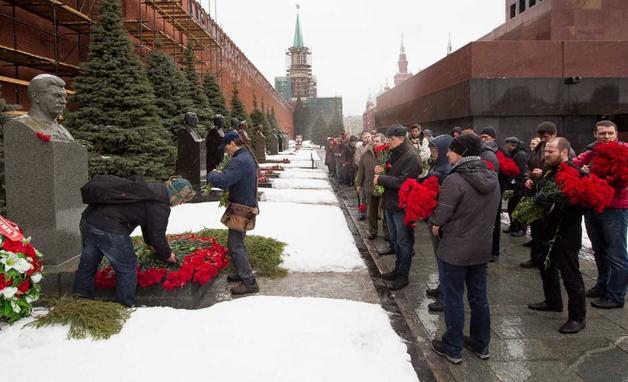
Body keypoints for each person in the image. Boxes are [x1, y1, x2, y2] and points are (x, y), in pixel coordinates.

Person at [429, 133, 500, 364]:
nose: (447, 154)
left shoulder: (454, 179)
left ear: (460, 153)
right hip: (481, 248)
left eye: (450, 150)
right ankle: (481, 343)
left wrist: (435, 221)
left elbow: (441, 214)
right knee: (479, 297)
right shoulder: (492, 176)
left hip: (455, 249)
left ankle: (452, 346)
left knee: (453, 298)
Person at [73, 177, 196, 307]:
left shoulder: (152, 190)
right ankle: (124, 305)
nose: (181, 203)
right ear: (175, 195)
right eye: (182, 200)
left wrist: (151, 244)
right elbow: (157, 235)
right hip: (109, 227)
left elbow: (148, 226)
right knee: (127, 266)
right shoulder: (160, 205)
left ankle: (82, 300)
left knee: (89, 262)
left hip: (89, 220)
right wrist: (166, 255)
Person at [527, 137, 587, 334]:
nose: (546, 155)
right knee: (546, 265)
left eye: (550, 152)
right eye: (545, 151)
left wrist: (552, 205)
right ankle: (553, 300)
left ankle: (577, 317)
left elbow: (580, 204)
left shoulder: (575, 173)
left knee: (570, 275)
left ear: (564, 153)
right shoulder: (549, 171)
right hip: (546, 229)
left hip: (566, 233)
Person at [573, 120, 627, 309]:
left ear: (616, 134)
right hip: (593, 207)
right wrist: (582, 171)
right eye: (602, 133)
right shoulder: (592, 151)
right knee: (600, 251)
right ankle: (603, 285)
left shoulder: (624, 151)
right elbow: (573, 165)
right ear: (595, 134)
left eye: (610, 133)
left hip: (615, 209)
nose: (606, 137)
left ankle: (616, 295)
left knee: (616, 254)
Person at [207, 130, 260, 295]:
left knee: (234, 244)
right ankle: (242, 272)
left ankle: (249, 282)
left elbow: (224, 181)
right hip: (245, 205)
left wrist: (213, 174)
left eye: (226, 147)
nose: (225, 150)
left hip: (240, 208)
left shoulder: (240, 161)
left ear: (232, 143)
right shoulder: (246, 156)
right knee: (238, 242)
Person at [374, 124, 420, 290]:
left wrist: (381, 179)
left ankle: (403, 275)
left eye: (391, 139)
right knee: (395, 241)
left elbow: (404, 182)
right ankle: (397, 270)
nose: (388, 141)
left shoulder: (410, 156)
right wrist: (382, 170)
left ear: (401, 138)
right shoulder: (395, 153)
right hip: (391, 203)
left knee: (404, 242)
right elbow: (392, 173)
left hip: (402, 206)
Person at [520, 121, 557, 268]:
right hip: (534, 192)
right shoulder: (536, 149)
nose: (543, 140)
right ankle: (535, 258)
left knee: (546, 231)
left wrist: (544, 174)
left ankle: (546, 259)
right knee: (535, 227)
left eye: (546, 137)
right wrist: (527, 177)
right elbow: (527, 166)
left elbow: (565, 171)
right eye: (541, 137)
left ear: (554, 135)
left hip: (548, 196)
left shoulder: (563, 149)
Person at [423, 134, 453, 312]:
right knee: (439, 257)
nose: (432, 153)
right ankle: (442, 288)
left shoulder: (447, 169)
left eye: (435, 150)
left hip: (440, 220)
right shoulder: (439, 165)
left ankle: (445, 296)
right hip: (434, 216)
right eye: (432, 149)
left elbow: (446, 199)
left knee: (444, 259)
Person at [6, 73, 73, 141]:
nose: (64, 101)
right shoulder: (20, 125)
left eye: (64, 97)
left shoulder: (64, 131)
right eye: (57, 95)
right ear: (36, 96)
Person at [356, 133, 387, 240]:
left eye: (377, 141)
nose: (375, 143)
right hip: (370, 185)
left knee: (385, 212)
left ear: (383, 142)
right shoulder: (366, 154)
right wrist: (359, 183)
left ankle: (387, 233)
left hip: (384, 186)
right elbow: (361, 170)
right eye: (374, 141)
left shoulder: (387, 153)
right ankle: (373, 231)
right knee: (371, 212)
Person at [478, 127, 500, 262]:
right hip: (492, 190)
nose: (484, 139)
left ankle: (494, 251)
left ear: (493, 138)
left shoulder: (490, 154)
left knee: (493, 222)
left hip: (493, 191)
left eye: (486, 137)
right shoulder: (483, 152)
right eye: (482, 137)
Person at [502, 137, 530, 237]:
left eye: (507, 144)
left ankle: (522, 228)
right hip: (515, 185)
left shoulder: (520, 155)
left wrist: (516, 183)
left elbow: (522, 171)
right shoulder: (515, 154)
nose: (505, 146)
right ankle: (513, 226)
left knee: (518, 207)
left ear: (511, 145)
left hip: (520, 186)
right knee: (511, 207)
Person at [354, 131, 372, 220]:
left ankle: (373, 213)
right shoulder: (359, 149)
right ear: (362, 139)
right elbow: (357, 160)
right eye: (365, 137)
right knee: (362, 195)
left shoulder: (375, 147)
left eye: (369, 136)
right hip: (363, 174)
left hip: (373, 175)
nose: (367, 138)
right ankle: (362, 212)